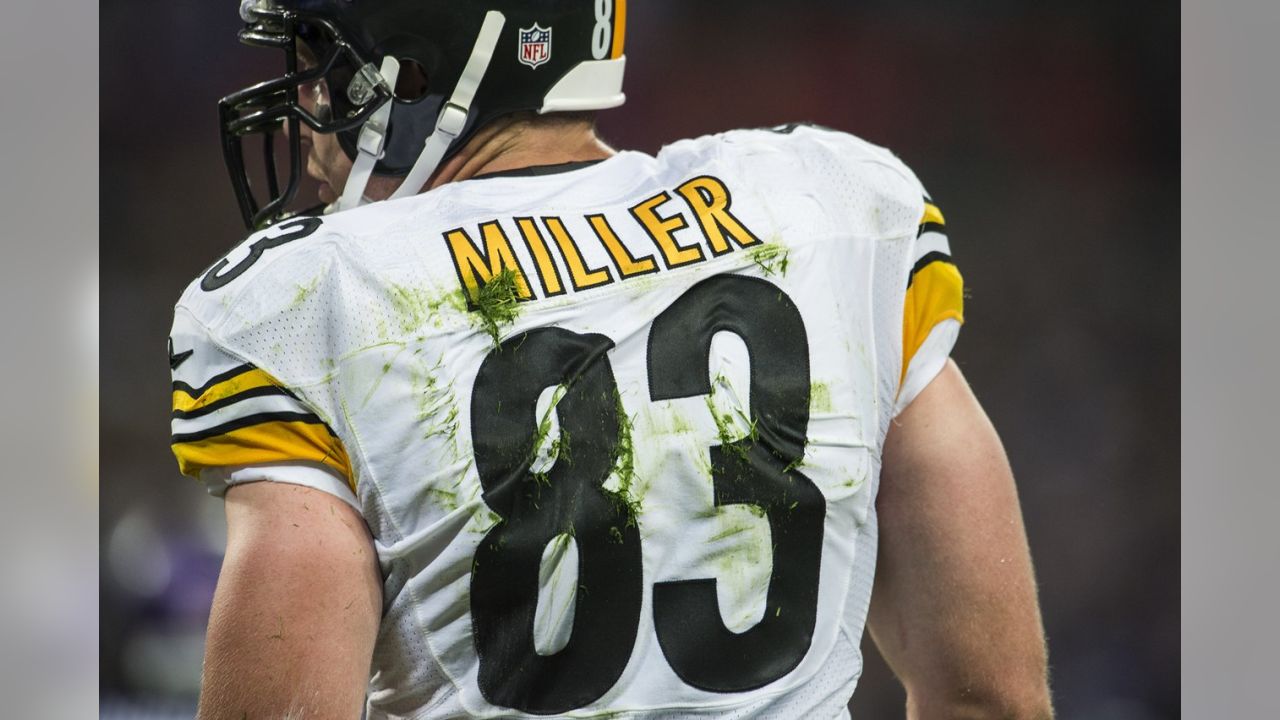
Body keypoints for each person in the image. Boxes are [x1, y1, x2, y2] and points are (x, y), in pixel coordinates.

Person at [168, 1, 1053, 717]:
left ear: (425, 64)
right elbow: (993, 695)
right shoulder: (832, 212)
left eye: (323, 55)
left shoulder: (314, 301)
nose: (309, 102)